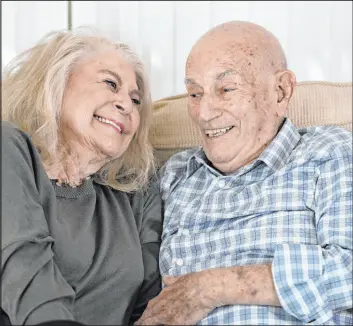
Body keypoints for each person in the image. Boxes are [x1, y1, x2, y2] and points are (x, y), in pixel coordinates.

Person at [135, 21, 353, 325]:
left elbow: (349, 270)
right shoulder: (175, 175)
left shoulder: (328, 151)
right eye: (194, 94)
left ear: (280, 91)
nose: (204, 113)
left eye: (226, 89)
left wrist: (209, 287)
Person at [1, 28, 163, 325]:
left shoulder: (137, 192)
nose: (127, 105)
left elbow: (153, 308)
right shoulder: (7, 149)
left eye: (136, 99)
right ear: (56, 83)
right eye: (110, 84)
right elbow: (22, 267)